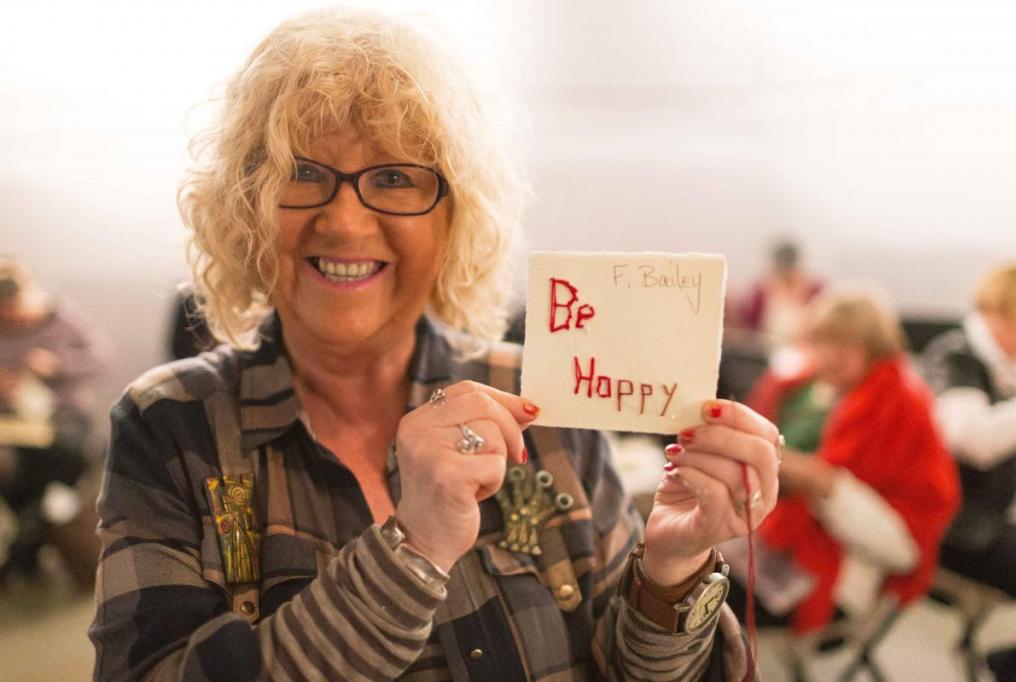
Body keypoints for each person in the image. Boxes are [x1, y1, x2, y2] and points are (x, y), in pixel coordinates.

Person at [88, 9, 782, 681]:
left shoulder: (544, 403)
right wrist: (412, 550)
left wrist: (669, 573)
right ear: (243, 206)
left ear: (457, 215)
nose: (346, 221)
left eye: (393, 178)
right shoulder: (172, 425)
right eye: (301, 172)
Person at [741, 286, 959, 632]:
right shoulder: (816, 391)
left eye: (843, 344)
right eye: (821, 342)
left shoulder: (900, 407)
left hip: (834, 573)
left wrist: (822, 484)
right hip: (776, 549)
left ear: (874, 348)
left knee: (693, 600)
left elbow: (905, 551)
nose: (827, 355)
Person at [921, 264, 1016, 682]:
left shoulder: (1009, 364)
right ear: (1001, 313)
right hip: (965, 528)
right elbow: (973, 440)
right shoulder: (955, 354)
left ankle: (1011, 662)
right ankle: (1011, 664)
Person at [0, 254, 110, 581]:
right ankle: (33, 533)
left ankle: (32, 536)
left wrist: (57, 365)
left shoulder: (61, 317)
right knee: (10, 471)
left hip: (63, 417)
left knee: (68, 457)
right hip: (12, 424)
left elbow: (100, 358)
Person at [740, 240, 823, 350]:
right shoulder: (761, 290)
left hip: (804, 349)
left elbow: (821, 325)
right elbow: (750, 324)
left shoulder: (814, 289)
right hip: (766, 349)